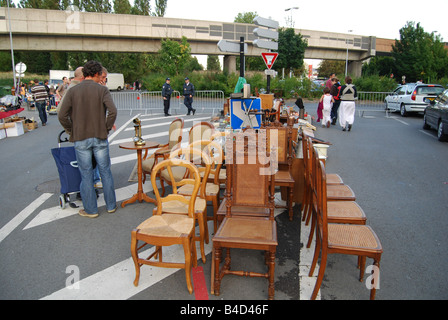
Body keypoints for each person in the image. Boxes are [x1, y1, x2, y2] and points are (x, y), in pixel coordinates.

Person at [58, 60, 117, 218]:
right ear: (97, 74)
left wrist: (71, 131)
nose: (101, 79)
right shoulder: (102, 90)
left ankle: (91, 210)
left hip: (81, 138)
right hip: (100, 137)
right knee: (105, 172)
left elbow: (61, 114)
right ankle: (111, 205)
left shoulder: (73, 91)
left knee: (86, 174)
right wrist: (105, 128)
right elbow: (112, 112)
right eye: (101, 76)